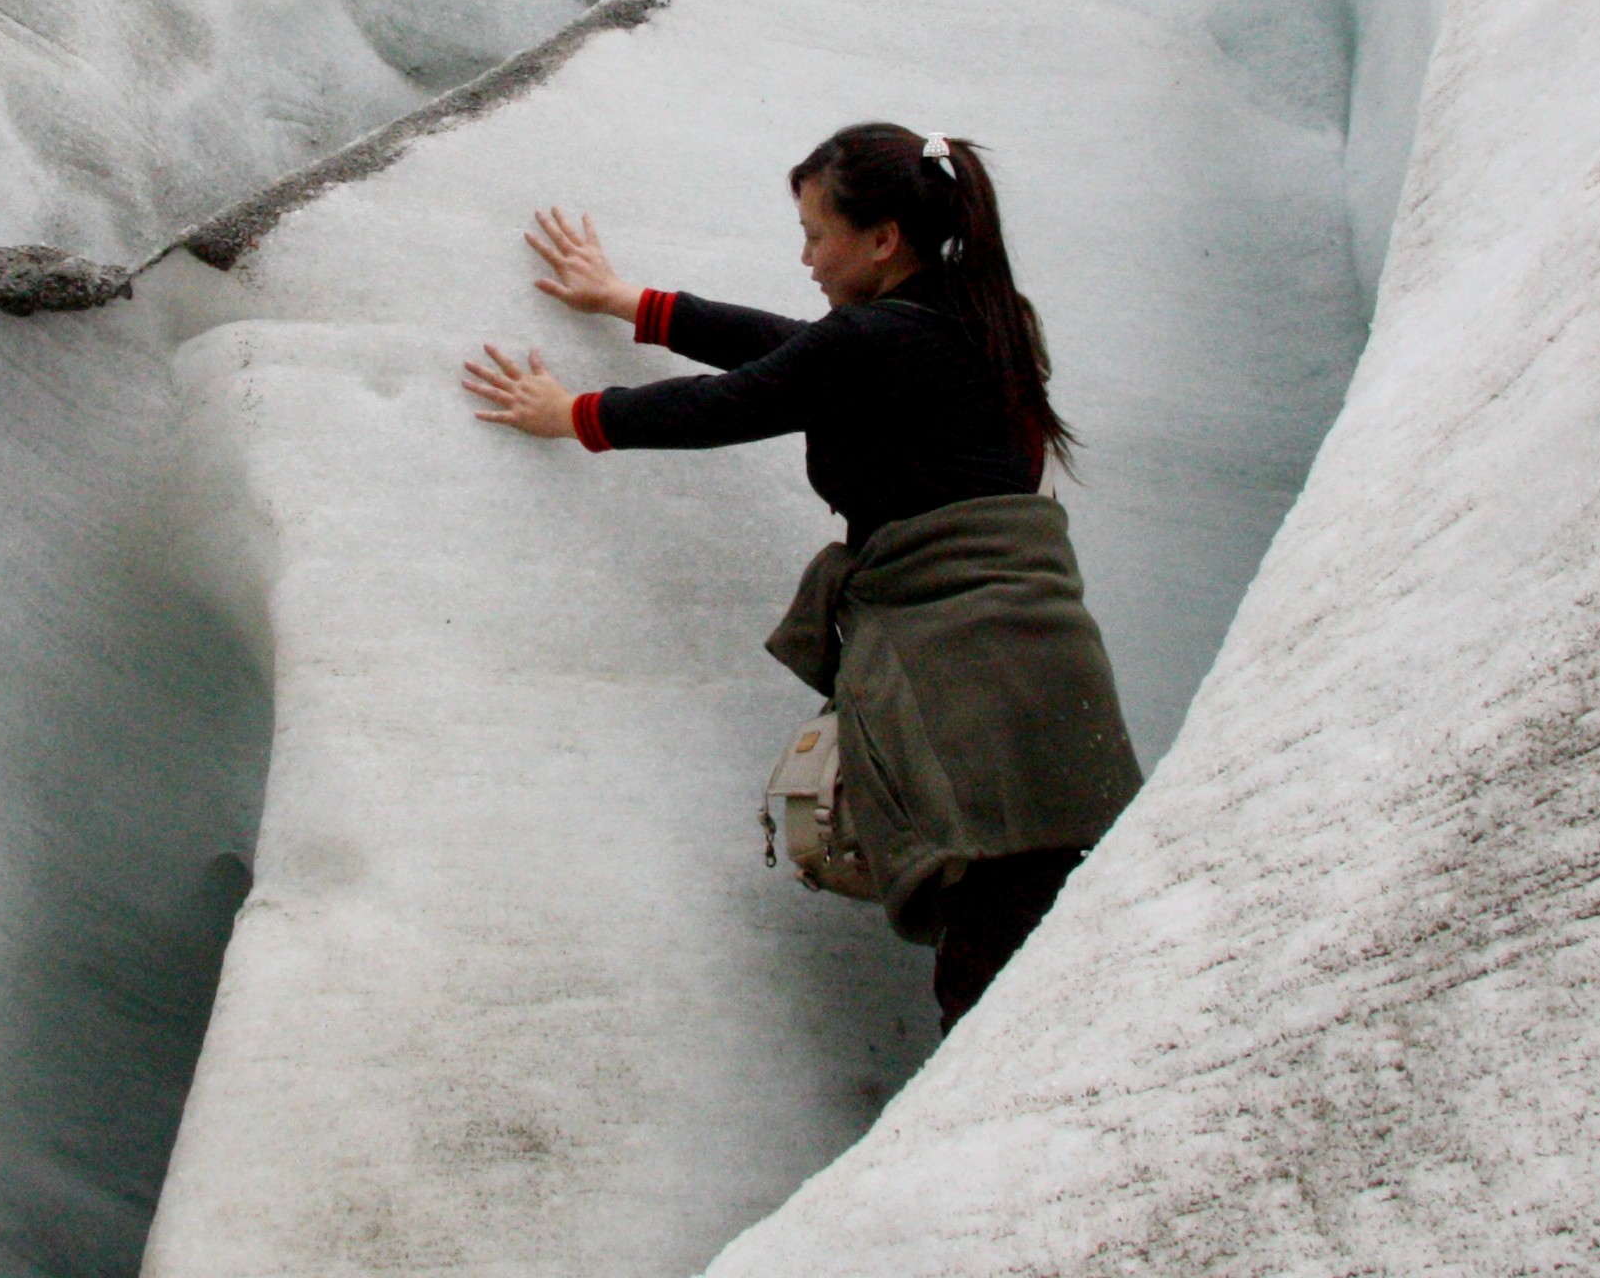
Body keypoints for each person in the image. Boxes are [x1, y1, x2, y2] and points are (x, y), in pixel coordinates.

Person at [458, 123, 1144, 1028]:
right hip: (1055, 684)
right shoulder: (981, 317)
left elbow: (740, 399)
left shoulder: (875, 340)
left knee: (994, 979)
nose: (809, 257)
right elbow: (797, 352)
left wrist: (576, 413)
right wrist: (635, 303)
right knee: (1058, 948)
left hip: (967, 691)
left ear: (882, 238)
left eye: (818, 234)